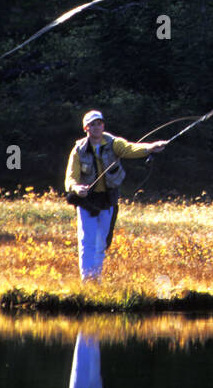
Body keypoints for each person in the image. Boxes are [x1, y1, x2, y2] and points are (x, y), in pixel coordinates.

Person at [65, 110, 168, 280]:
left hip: (108, 199)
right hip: (86, 201)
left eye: (99, 123)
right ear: (86, 128)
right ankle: (87, 280)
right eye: (92, 124)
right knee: (87, 241)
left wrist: (151, 147)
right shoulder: (78, 150)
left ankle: (96, 278)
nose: (96, 127)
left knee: (102, 243)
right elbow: (70, 177)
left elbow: (131, 148)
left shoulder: (114, 143)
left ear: (103, 125)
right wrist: (76, 188)